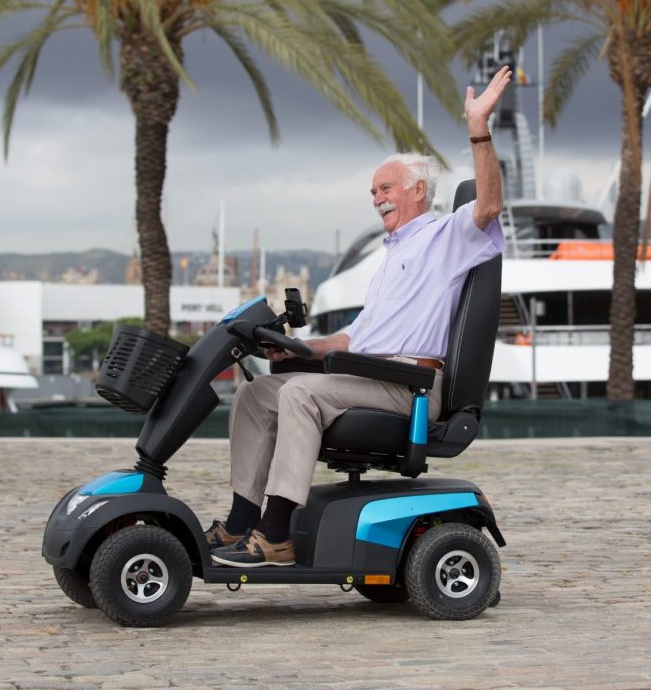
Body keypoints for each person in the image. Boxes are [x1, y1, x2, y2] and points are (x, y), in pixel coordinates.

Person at [208, 66, 512, 567]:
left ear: (418, 190)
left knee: (301, 393)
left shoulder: (446, 237)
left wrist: (478, 129)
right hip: (369, 375)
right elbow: (354, 339)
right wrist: (300, 349)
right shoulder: (389, 258)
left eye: (385, 188)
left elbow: (490, 204)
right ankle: (242, 520)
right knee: (255, 393)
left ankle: (276, 533)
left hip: (410, 385)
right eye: (373, 193)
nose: (377, 199)